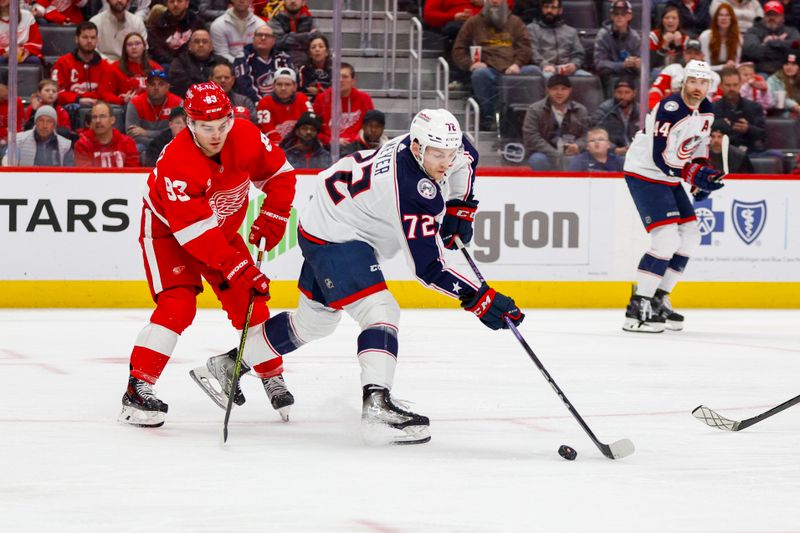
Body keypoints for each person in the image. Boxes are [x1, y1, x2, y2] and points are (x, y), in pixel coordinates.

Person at [193, 108, 524, 444]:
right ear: (417, 148)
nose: (445, 161)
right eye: (437, 154)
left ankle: (227, 365)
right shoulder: (408, 190)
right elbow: (428, 268)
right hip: (336, 234)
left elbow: (467, 155)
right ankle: (377, 402)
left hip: (327, 218)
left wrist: (460, 205)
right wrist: (479, 297)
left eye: (448, 153)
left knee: (313, 324)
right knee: (381, 312)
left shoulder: (436, 146)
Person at [118, 82, 298, 428]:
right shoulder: (177, 161)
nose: (215, 135)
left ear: (231, 117)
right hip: (168, 233)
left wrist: (275, 213)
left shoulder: (245, 135)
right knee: (178, 304)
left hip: (221, 232)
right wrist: (238, 267)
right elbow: (195, 236)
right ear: (189, 123)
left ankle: (271, 375)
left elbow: (281, 175)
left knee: (251, 302)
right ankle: (137, 388)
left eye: (221, 125)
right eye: (205, 127)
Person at [622, 60, 722, 333]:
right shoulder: (671, 108)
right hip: (645, 173)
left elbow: (698, 143)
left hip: (669, 175)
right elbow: (660, 156)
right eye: (693, 81)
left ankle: (657, 298)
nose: (698, 88)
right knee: (666, 239)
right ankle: (637, 307)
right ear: (684, 82)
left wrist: (702, 174)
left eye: (704, 83)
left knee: (690, 234)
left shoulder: (707, 109)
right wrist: (692, 174)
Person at [452, 0, 539, 130]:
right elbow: (458, 49)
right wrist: (471, 64)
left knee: (534, 71)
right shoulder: (473, 22)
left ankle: (532, 118)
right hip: (489, 69)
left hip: (513, 70)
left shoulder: (516, 22)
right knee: (479, 74)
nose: (494, 1)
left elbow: (526, 48)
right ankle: (489, 117)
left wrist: (517, 64)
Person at [522, 74, 589, 171]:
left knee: (578, 159)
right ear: (547, 90)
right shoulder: (534, 110)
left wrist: (578, 145)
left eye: (563, 89)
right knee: (537, 160)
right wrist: (556, 154)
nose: (559, 93)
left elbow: (587, 135)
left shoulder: (580, 110)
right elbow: (531, 137)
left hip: (571, 153)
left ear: (570, 91)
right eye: (554, 89)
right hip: (544, 153)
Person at [648, 39, 721, 110]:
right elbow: (656, 91)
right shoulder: (671, 70)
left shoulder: (714, 77)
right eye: (689, 52)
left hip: (703, 116)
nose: (692, 56)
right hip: (674, 113)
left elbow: (719, 99)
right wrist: (657, 110)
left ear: (702, 55)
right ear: (684, 54)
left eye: (696, 53)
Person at [313, 63, 374, 145]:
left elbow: (371, 126)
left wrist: (356, 140)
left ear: (353, 81)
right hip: (328, 147)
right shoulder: (321, 99)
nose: (340, 80)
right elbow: (313, 128)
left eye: (345, 77)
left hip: (357, 146)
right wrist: (329, 140)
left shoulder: (364, 99)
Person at [51, 22, 109, 109]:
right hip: (71, 108)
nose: (89, 41)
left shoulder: (105, 65)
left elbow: (108, 93)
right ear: (76, 39)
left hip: (98, 107)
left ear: (97, 40)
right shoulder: (63, 62)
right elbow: (55, 93)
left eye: (93, 38)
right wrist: (78, 99)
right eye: (85, 37)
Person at [713, 67, 770, 154]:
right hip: (720, 152)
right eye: (728, 85)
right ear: (720, 86)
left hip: (749, 152)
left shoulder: (754, 107)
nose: (731, 89)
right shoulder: (712, 108)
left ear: (740, 85)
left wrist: (748, 129)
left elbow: (763, 134)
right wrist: (720, 125)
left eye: (735, 85)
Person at [526, 0, 589, 78]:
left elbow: (579, 54)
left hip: (568, 70)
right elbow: (533, 52)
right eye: (546, 7)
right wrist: (545, 65)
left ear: (560, 10)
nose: (549, 10)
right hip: (545, 69)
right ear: (541, 9)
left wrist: (574, 65)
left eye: (553, 7)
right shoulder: (532, 29)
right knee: (548, 77)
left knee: (587, 77)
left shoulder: (571, 31)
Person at [233, 24, 293, 103]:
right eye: (259, 35)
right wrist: (264, 103)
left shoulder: (283, 58)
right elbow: (244, 86)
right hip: (253, 103)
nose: (263, 38)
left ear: (273, 41)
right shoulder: (242, 58)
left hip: (281, 103)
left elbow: (291, 83)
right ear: (253, 39)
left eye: (267, 36)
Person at [126, 69, 183, 153]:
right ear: (146, 86)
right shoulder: (135, 103)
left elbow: (179, 133)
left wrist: (146, 133)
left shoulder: (178, 103)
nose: (156, 88)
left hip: (170, 146)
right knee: (137, 148)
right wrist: (156, 145)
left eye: (161, 84)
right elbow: (132, 134)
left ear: (167, 87)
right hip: (145, 146)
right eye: (152, 84)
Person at [98, 32, 162, 105]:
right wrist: (121, 100)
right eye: (129, 45)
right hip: (127, 106)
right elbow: (104, 93)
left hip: (152, 105)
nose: (134, 47)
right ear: (125, 49)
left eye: (137, 43)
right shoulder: (114, 68)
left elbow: (165, 89)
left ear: (144, 46)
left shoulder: (155, 67)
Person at [742, 0, 800, 76]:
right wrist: (782, 49)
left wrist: (772, 42)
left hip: (785, 71)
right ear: (764, 16)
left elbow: (796, 46)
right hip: (761, 71)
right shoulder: (753, 31)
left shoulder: (791, 31)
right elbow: (751, 51)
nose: (772, 18)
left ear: (782, 16)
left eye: (776, 15)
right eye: (769, 15)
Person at [74, 101, 141, 167]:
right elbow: (85, 174)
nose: (98, 121)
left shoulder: (128, 143)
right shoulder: (82, 145)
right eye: (94, 117)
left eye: (102, 116)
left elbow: (132, 174)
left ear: (112, 120)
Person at [256, 67, 312, 143]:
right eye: (279, 84)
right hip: (274, 146)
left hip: (300, 144)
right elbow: (267, 131)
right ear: (273, 86)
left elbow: (310, 124)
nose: (283, 88)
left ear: (295, 87)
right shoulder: (265, 102)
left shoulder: (302, 99)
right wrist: (285, 145)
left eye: (287, 84)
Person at [2, 106, 73, 166]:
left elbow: (69, 171)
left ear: (54, 125)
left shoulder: (65, 145)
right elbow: (7, 163)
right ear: (35, 122)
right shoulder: (18, 139)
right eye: (41, 120)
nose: (45, 125)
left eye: (49, 121)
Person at [147, 0, 206, 66]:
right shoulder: (159, 23)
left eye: (179, 1)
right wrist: (175, 62)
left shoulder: (197, 22)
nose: (175, 4)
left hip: (192, 63)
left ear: (186, 4)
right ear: (167, 4)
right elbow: (156, 49)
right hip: (167, 64)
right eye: (172, 1)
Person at [593, 1, 642, 81]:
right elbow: (599, 63)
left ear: (629, 16)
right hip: (608, 76)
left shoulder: (635, 36)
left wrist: (637, 64)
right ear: (611, 16)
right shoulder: (603, 34)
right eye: (616, 14)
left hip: (630, 76)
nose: (619, 17)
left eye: (623, 14)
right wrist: (623, 65)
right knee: (605, 71)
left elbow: (641, 61)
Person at [591, 78, 639, 158]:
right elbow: (596, 131)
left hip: (636, 153)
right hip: (611, 153)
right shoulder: (605, 109)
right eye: (619, 92)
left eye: (627, 92)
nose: (623, 96)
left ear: (634, 93)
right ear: (614, 93)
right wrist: (614, 149)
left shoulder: (641, 110)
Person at [168, 29, 223, 97]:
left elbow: (224, 85)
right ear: (189, 46)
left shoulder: (221, 62)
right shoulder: (180, 62)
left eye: (205, 42)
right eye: (196, 42)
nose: (201, 45)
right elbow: (180, 86)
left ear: (211, 46)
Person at [267, 0, 319, 66]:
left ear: (303, 2)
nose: (293, 1)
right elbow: (279, 42)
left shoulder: (311, 21)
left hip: (308, 66)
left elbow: (317, 41)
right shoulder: (275, 20)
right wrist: (306, 36)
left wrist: (287, 37)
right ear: (283, 1)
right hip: (280, 66)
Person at [698, 3, 743, 73]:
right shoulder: (705, 36)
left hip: (729, 74)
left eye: (727, 15)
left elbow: (736, 64)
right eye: (720, 15)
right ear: (716, 18)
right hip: (709, 73)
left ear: (732, 19)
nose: (723, 18)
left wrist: (731, 65)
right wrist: (723, 67)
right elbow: (705, 67)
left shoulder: (738, 38)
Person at [0, 0, 43, 64]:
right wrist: (5, 53)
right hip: (1, 56)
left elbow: (36, 43)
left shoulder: (27, 16)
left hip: (21, 56)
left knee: (34, 60)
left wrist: (26, 51)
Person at [649, 5, 689, 71]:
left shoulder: (685, 38)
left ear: (679, 21)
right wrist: (663, 47)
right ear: (662, 20)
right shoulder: (653, 36)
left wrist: (678, 47)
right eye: (667, 18)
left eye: (674, 18)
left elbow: (685, 65)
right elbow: (651, 65)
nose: (670, 21)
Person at [766, 50, 800, 117]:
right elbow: (770, 99)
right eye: (786, 64)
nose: (789, 67)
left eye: (793, 64)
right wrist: (794, 105)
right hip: (779, 115)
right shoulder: (773, 80)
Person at [297, 34, 331, 101]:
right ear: (309, 54)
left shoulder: (335, 70)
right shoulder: (303, 70)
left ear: (327, 52)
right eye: (313, 47)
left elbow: (337, 92)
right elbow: (302, 91)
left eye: (321, 46)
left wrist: (318, 91)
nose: (317, 49)